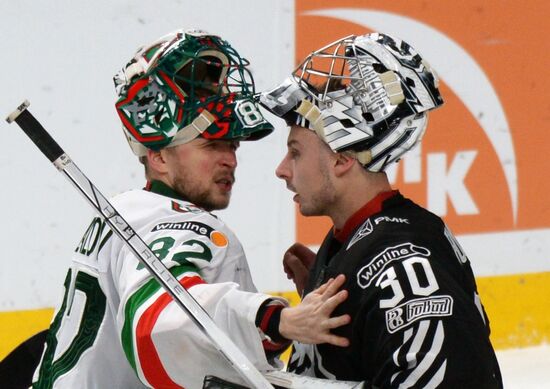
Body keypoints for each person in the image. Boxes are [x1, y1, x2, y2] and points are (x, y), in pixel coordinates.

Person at [30, 29, 351, 389]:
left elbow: (225, 356)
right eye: (211, 146)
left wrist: (289, 321)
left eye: (232, 146)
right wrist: (276, 318)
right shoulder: (171, 221)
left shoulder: (128, 214)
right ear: (159, 156)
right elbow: (160, 322)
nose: (230, 160)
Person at [260, 32, 503, 388]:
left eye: (295, 151)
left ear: (342, 159)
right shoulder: (356, 240)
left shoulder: (402, 264)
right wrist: (352, 304)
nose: (282, 169)